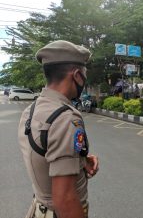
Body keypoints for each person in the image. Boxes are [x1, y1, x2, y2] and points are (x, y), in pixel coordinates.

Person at [18, 40, 99, 218]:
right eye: (84, 74)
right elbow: (65, 199)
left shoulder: (31, 110)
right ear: (77, 75)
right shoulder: (65, 118)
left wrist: (80, 161)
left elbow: (44, 154)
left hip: (39, 209)